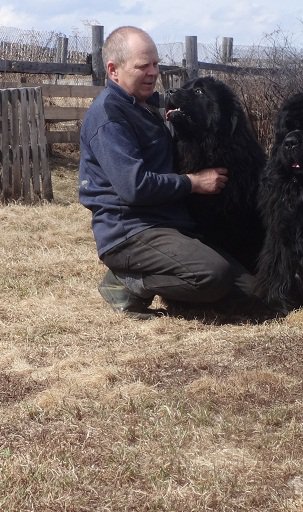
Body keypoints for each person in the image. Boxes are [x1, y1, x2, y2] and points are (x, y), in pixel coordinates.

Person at [79, 26, 253, 319]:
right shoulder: (110, 117)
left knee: (250, 289)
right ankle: (129, 283)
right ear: (113, 70)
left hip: (167, 223)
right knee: (214, 275)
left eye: (156, 64)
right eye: (142, 66)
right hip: (131, 230)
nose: (152, 73)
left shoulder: (146, 106)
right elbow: (134, 187)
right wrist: (193, 183)